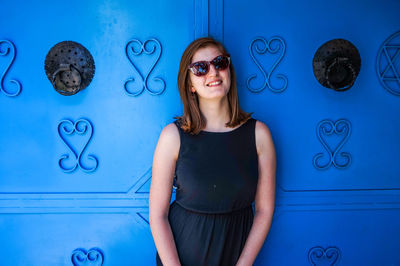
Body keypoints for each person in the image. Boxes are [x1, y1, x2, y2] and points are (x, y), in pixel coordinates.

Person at [149, 37, 276, 266]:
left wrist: (244, 264)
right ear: (189, 83)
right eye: (200, 68)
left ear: (229, 70)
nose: (213, 72)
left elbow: (265, 210)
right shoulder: (172, 136)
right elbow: (158, 215)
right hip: (181, 256)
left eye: (219, 63)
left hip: (235, 255)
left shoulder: (259, 135)